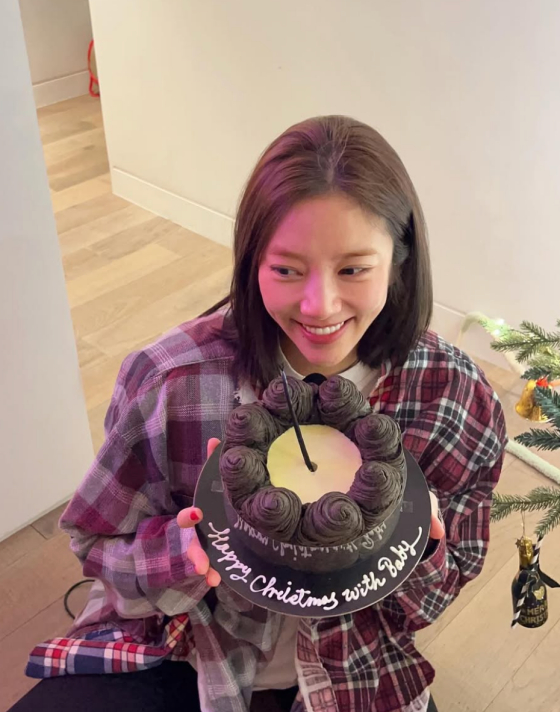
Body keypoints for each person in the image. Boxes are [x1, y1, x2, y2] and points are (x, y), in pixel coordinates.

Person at [13, 115, 506, 712]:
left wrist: (421, 550)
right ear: (251, 262)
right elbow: (96, 541)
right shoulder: (171, 381)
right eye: (286, 269)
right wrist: (181, 552)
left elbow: (442, 588)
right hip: (183, 646)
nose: (319, 305)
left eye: (353, 268)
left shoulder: (451, 396)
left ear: (400, 259)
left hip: (356, 667)